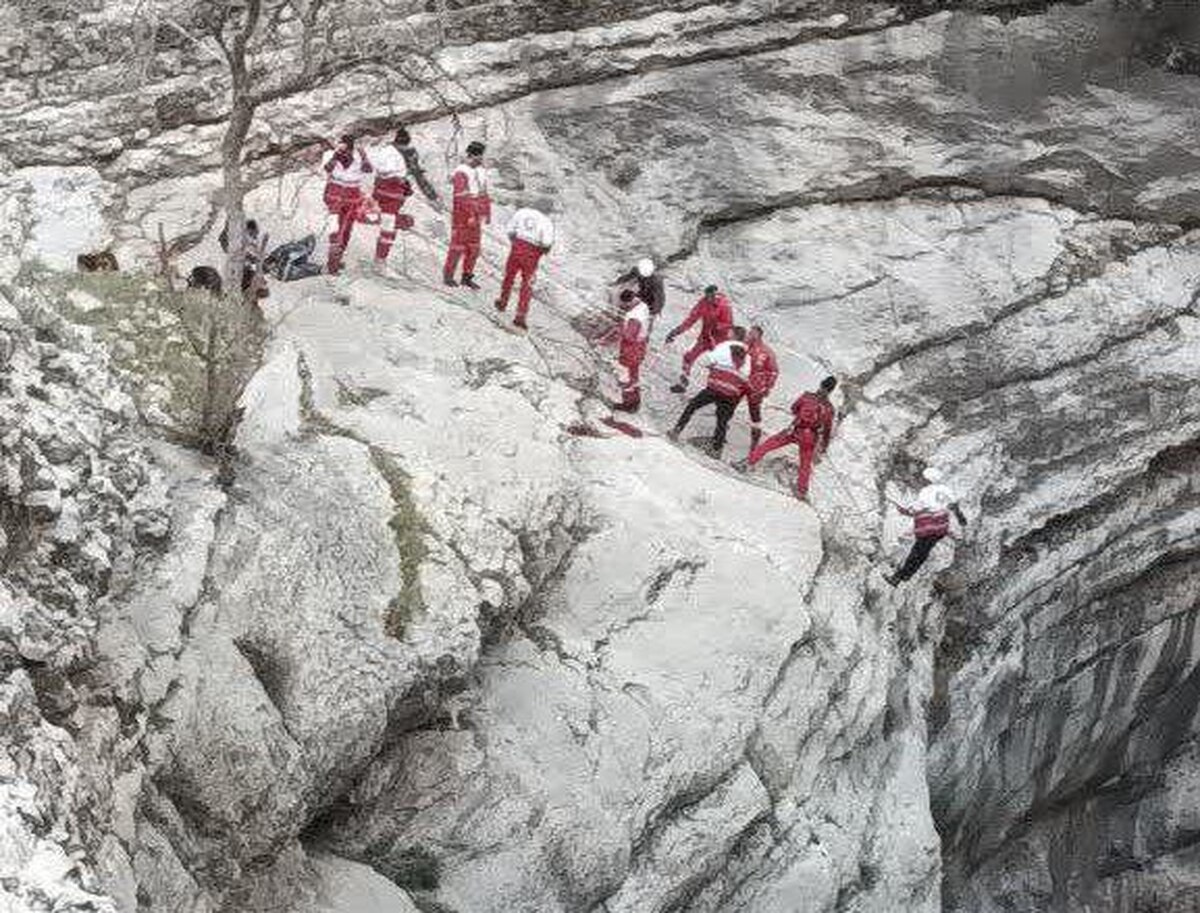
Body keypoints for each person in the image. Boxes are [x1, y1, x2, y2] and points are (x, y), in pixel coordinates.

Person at [747, 376, 836, 499]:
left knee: (770, 443)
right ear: (831, 390)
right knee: (805, 463)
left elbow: (794, 408)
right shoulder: (830, 409)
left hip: (795, 429)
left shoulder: (807, 396)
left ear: (821, 385)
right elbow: (827, 430)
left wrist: (801, 413)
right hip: (810, 437)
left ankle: (749, 462)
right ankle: (802, 491)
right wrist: (823, 447)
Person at [667, 327, 749, 456]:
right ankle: (717, 449)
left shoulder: (725, 346)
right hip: (732, 393)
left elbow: (707, 361)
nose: (727, 334)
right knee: (722, 421)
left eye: (729, 333)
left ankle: (677, 430)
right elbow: (746, 376)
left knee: (692, 406)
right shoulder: (748, 355)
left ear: (733, 335)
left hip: (716, 386)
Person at [885, 467, 968, 586]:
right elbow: (954, 505)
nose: (921, 480)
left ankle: (899, 577)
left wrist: (903, 510)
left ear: (928, 480)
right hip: (940, 529)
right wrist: (961, 519)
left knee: (916, 553)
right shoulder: (946, 490)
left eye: (923, 478)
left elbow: (916, 509)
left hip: (927, 528)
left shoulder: (926, 492)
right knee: (923, 553)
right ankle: (903, 575)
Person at [368, 127, 437, 267]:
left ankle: (381, 256)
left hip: (380, 191)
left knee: (387, 220)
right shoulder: (408, 153)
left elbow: (377, 171)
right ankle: (380, 260)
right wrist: (431, 194)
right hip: (393, 194)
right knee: (389, 226)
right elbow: (418, 175)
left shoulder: (385, 150)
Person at [664, 284, 734, 393]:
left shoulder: (724, 305)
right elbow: (691, 319)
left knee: (719, 366)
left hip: (720, 339)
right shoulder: (703, 303)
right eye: (708, 296)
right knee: (688, 357)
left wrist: (716, 326)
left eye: (712, 296)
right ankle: (683, 383)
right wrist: (676, 331)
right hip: (706, 337)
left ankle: (720, 391)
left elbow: (729, 324)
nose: (710, 299)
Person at [494, 205, 554, 329]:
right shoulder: (546, 221)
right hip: (532, 254)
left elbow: (510, 230)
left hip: (517, 248)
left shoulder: (522, 212)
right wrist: (541, 251)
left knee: (509, 277)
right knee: (527, 285)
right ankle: (520, 317)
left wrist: (516, 243)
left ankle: (502, 302)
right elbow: (547, 242)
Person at [322, 134, 373, 275]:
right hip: (342, 195)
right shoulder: (332, 155)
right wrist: (336, 156)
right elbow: (328, 168)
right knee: (341, 227)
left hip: (344, 195)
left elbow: (368, 169)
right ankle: (333, 264)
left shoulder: (356, 156)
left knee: (343, 228)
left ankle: (336, 260)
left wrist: (363, 156)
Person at [443, 140, 491, 289]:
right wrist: (470, 213)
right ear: (473, 155)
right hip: (463, 214)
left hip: (476, 213)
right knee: (458, 246)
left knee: (474, 247)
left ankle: (467, 276)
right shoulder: (461, 172)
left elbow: (484, 192)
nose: (481, 159)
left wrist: (486, 211)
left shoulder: (481, 171)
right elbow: (461, 196)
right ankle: (448, 276)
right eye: (480, 156)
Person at [613, 289, 651, 412]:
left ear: (628, 302)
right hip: (641, 346)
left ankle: (628, 404)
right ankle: (636, 402)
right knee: (634, 375)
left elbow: (629, 337)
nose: (623, 307)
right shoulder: (643, 305)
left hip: (630, 350)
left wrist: (620, 330)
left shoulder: (634, 317)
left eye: (624, 304)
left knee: (625, 376)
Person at [744, 325, 779, 453]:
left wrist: (767, 388)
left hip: (756, 388)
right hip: (741, 383)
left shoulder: (767, 351)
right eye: (749, 333)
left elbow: (774, 371)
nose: (749, 335)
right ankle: (720, 433)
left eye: (752, 333)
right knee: (728, 404)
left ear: (759, 335)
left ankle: (754, 444)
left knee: (755, 415)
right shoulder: (743, 347)